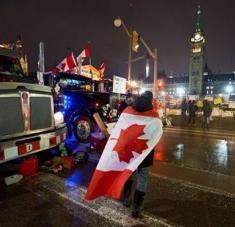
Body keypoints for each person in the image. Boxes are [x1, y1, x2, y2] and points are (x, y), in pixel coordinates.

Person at [122, 91, 162, 218]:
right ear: (150, 101)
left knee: (129, 175)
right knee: (142, 179)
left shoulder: (129, 111)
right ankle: (137, 207)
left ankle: (126, 199)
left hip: (131, 152)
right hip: (146, 153)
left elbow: (122, 128)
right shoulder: (154, 115)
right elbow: (158, 134)